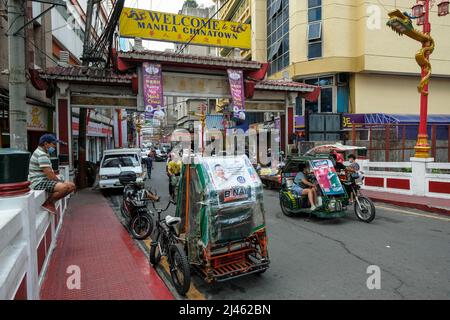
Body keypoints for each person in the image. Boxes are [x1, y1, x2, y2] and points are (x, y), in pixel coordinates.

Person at [29, 134, 76, 214]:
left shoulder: (44, 153)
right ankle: (48, 203)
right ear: (46, 144)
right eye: (53, 144)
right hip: (38, 182)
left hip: (45, 181)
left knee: (72, 186)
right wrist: (61, 182)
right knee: (64, 187)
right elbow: (50, 174)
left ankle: (50, 202)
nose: (54, 147)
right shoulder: (41, 154)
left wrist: (60, 181)